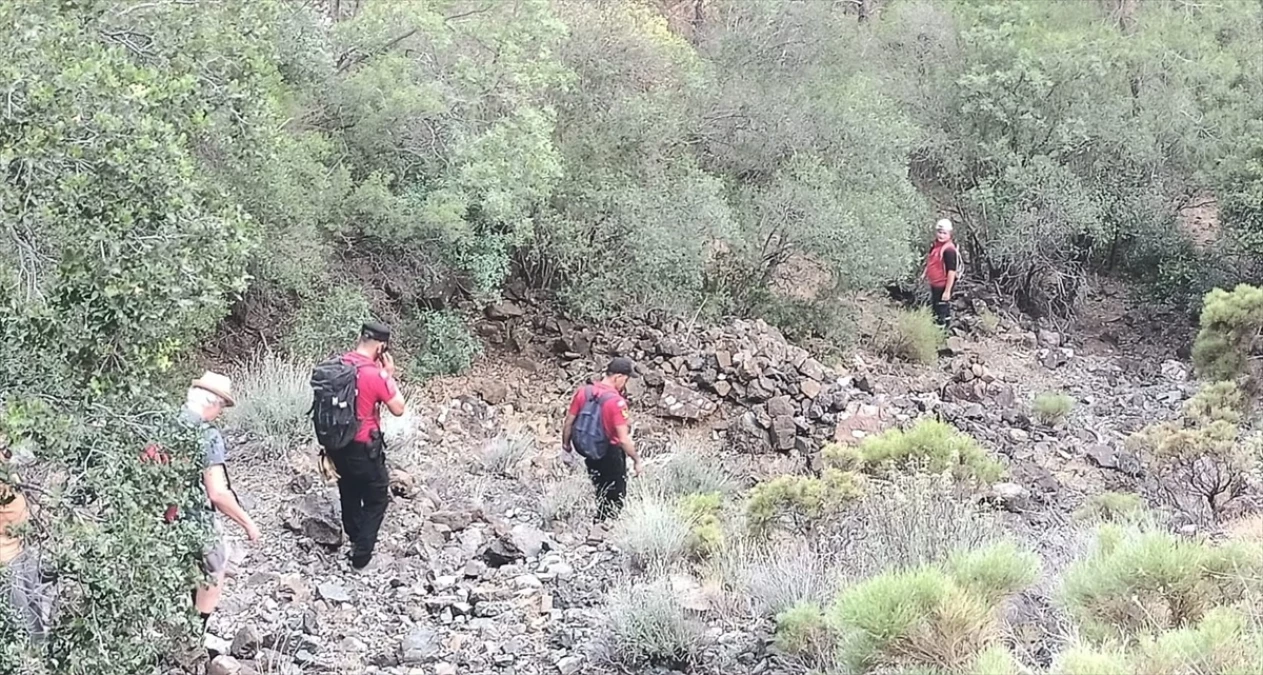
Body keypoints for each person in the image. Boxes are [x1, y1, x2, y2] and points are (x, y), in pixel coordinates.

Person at [179, 372, 261, 636]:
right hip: (193, 517)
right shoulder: (207, 434)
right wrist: (247, 523)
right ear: (213, 403)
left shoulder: (165, 421)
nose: (221, 412)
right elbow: (217, 493)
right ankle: (195, 634)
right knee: (215, 565)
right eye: (222, 406)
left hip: (157, 513)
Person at [331, 321, 405, 569]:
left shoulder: (339, 365)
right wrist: (389, 375)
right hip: (364, 446)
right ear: (381, 347)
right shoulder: (376, 375)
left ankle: (353, 537)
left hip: (337, 445)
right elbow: (398, 408)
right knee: (377, 496)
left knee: (348, 490)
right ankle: (361, 556)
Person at [561, 357, 643, 521]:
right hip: (610, 453)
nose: (625, 384)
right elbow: (624, 439)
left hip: (588, 450)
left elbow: (569, 422)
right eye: (625, 379)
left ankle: (597, 523)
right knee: (615, 493)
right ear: (618, 377)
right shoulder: (616, 403)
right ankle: (605, 528)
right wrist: (636, 460)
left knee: (600, 487)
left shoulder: (584, 392)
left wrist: (566, 447)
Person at [924, 218, 959, 328]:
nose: (941, 235)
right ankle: (945, 331)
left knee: (940, 311)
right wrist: (925, 273)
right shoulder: (935, 245)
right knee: (940, 308)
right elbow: (931, 261)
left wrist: (947, 291)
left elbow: (951, 271)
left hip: (943, 284)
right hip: (935, 283)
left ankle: (941, 334)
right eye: (940, 232)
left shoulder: (949, 250)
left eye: (944, 233)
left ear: (950, 234)